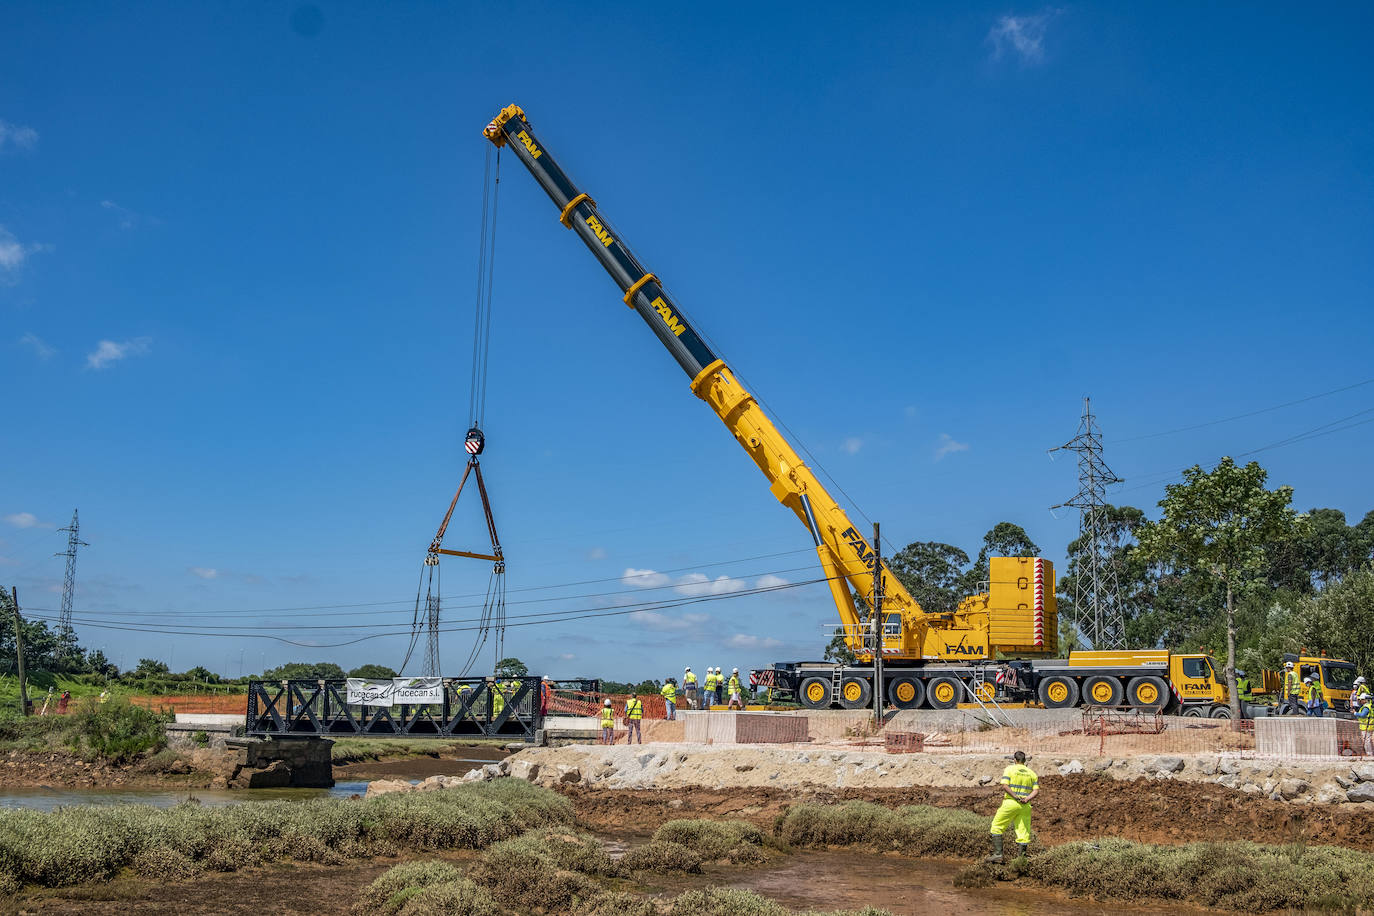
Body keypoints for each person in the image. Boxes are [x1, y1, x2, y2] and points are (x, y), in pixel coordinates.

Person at [986, 750, 1039, 864]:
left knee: (997, 826)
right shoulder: (1032, 773)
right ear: (1024, 761)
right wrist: (1027, 799)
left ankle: (998, 854)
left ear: (1014, 760)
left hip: (1011, 802)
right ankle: (1021, 859)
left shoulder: (1009, 769)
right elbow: (1036, 791)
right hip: (1025, 806)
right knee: (1023, 832)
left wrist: (1015, 797)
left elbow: (1005, 786)